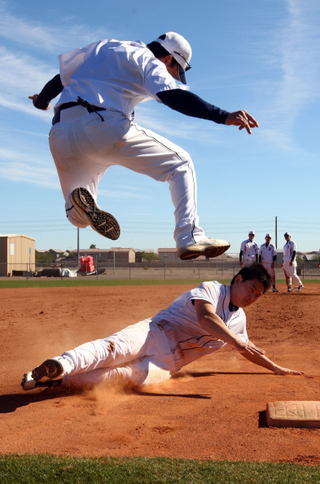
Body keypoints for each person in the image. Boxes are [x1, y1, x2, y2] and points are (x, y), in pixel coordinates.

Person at [29, 32, 259, 261]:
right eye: (174, 70)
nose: (173, 76)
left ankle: (78, 207)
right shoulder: (147, 60)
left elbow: (61, 78)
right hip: (102, 126)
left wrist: (41, 101)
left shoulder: (105, 47)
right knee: (181, 163)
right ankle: (189, 237)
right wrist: (224, 116)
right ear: (168, 58)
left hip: (61, 132)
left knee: (79, 218)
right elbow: (172, 96)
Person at [21, 263, 303, 392]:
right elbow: (206, 318)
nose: (252, 297)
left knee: (122, 377)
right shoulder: (213, 290)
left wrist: (275, 367)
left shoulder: (239, 320)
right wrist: (237, 342)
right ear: (238, 279)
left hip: (169, 363)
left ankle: (56, 379)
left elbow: (248, 351)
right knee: (113, 349)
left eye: (257, 296)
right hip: (156, 331)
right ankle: (61, 362)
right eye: (251, 289)